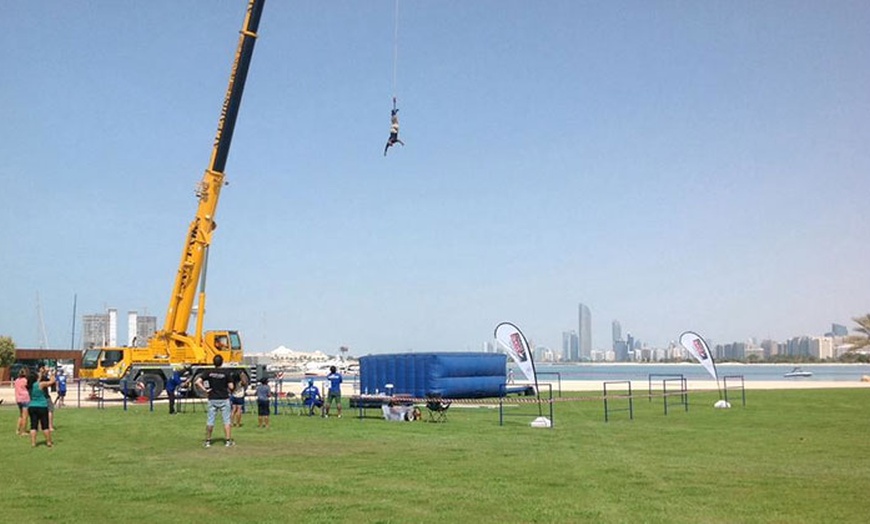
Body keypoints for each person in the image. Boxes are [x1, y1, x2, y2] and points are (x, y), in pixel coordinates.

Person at [195, 355, 235, 448]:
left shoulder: (209, 372)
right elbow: (231, 387)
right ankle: (228, 441)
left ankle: (208, 441)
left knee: (210, 420)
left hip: (212, 398)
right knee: (226, 420)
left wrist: (205, 390)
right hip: (224, 398)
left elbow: (197, 382)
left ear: (213, 362)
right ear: (222, 362)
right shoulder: (226, 373)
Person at [28, 367, 55, 447]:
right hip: (42, 406)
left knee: (33, 426)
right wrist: (52, 373)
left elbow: (38, 378)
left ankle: (33, 443)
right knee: (45, 426)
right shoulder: (40, 384)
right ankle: (49, 442)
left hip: (32, 406)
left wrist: (41, 373)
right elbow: (52, 382)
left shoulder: (29, 386)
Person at [14, 368, 30, 436]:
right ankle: (23, 431)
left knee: (20, 415)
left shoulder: (16, 380)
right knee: (25, 416)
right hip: (25, 399)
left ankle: (17, 430)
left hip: (18, 399)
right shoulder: (26, 380)